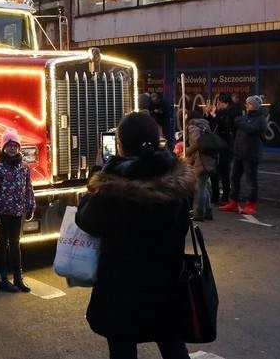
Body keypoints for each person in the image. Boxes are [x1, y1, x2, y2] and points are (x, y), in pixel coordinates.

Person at [75, 111, 195, 359]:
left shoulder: (112, 188)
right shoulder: (176, 182)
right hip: (167, 283)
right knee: (172, 345)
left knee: (122, 348)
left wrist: (100, 177)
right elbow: (183, 225)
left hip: (121, 289)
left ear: (121, 144)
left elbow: (86, 220)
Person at [0, 128, 35, 293]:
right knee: (2, 245)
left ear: (19, 147)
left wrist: (30, 206)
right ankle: (1, 278)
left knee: (15, 244)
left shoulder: (24, 167)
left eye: (15, 145)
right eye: (9, 145)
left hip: (17, 211)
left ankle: (18, 278)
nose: (12, 148)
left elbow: (28, 188)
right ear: (3, 148)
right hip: (2, 212)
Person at [219, 95, 268, 215]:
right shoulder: (245, 117)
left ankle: (251, 204)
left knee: (251, 180)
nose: (246, 105)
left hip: (251, 154)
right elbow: (238, 123)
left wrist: (240, 122)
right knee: (234, 178)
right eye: (246, 103)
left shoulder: (261, 119)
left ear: (255, 106)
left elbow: (250, 128)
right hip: (239, 153)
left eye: (249, 103)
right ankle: (233, 202)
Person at [206, 93, 238, 205]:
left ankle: (225, 196)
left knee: (225, 172)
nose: (218, 104)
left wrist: (215, 116)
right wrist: (209, 115)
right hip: (215, 146)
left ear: (226, 103)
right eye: (217, 102)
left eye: (220, 103)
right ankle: (215, 196)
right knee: (214, 173)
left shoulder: (231, 112)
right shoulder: (218, 113)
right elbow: (210, 126)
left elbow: (226, 126)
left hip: (225, 146)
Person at [185, 108, 216, 221]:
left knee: (199, 188)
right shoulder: (205, 125)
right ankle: (208, 211)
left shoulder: (193, 127)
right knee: (204, 186)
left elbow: (197, 143)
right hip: (209, 158)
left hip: (201, 160)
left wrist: (186, 152)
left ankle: (198, 213)